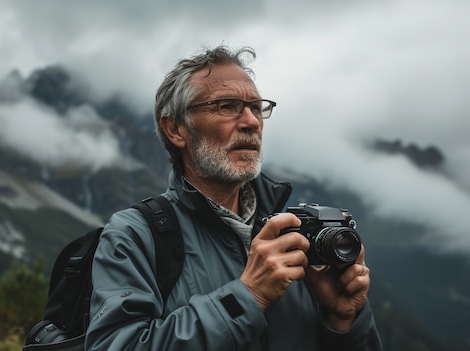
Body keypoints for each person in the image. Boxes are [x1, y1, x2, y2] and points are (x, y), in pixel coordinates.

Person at [85, 45, 382, 350]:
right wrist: (248, 296)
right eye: (227, 106)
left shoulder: (296, 233)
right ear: (175, 129)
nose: (251, 122)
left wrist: (343, 322)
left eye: (256, 107)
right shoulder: (135, 234)